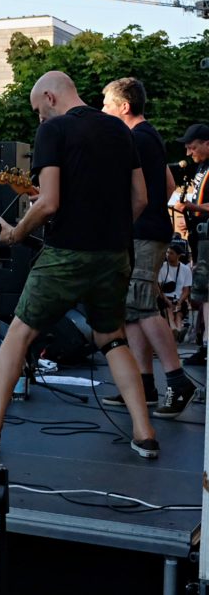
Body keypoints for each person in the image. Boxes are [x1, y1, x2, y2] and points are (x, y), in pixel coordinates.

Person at [0, 71, 158, 459]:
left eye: (40, 112)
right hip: (116, 254)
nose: (40, 120)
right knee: (113, 338)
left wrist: (16, 233)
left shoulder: (53, 132)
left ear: (51, 99)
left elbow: (49, 202)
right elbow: (140, 198)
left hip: (67, 253)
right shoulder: (121, 131)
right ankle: (144, 433)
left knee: (19, 335)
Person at [101, 77, 197, 417]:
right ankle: (145, 386)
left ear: (124, 107)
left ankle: (178, 380)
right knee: (131, 309)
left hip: (142, 232)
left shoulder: (133, 138)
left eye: (107, 105)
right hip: (149, 229)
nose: (103, 111)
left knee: (141, 305)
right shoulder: (150, 137)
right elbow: (170, 184)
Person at [175, 123, 209, 367]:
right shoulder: (201, 168)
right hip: (200, 238)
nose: (189, 153)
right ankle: (203, 343)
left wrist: (191, 208)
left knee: (205, 294)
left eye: (193, 147)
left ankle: (206, 346)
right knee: (202, 295)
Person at [160, 244, 192, 338]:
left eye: (171, 253)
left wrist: (179, 301)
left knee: (179, 314)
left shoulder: (185, 269)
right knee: (169, 311)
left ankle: (177, 331)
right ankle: (176, 330)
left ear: (178, 255)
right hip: (165, 297)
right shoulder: (163, 267)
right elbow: (158, 287)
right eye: (167, 252)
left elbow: (186, 290)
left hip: (178, 298)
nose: (168, 255)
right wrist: (167, 300)